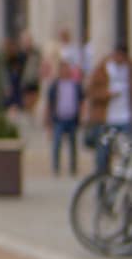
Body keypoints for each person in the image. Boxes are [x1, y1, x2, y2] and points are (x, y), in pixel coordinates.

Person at [85, 43, 132, 175]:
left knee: (126, 154)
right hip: (106, 119)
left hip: (125, 119)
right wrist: (108, 94)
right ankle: (102, 187)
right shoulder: (102, 69)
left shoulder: (129, 70)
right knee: (102, 154)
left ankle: (121, 184)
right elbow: (91, 92)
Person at [44, 60, 83, 177]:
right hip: (59, 119)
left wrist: (81, 116)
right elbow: (49, 104)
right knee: (57, 144)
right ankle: (56, 167)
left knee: (73, 144)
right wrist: (48, 122)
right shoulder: (54, 86)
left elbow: (81, 101)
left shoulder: (75, 85)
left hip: (72, 118)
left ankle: (73, 168)